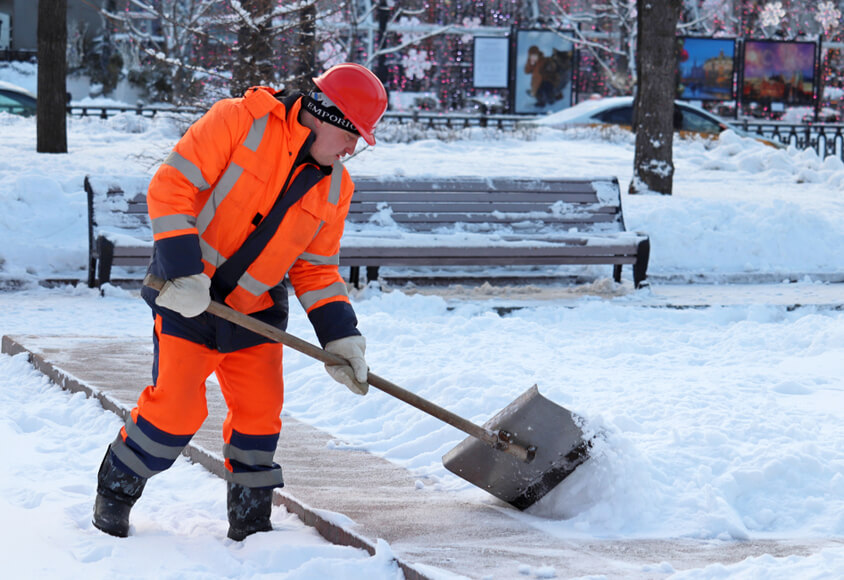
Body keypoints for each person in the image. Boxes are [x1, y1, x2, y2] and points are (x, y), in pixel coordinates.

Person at [92, 63, 388, 541]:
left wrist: (342, 337)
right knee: (175, 411)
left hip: (254, 311)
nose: (354, 147)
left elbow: (316, 269)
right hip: (188, 301)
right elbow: (171, 188)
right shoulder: (238, 120)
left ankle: (251, 524)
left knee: (259, 413)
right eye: (353, 133)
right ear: (323, 113)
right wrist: (185, 272)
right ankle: (116, 489)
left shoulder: (337, 186)